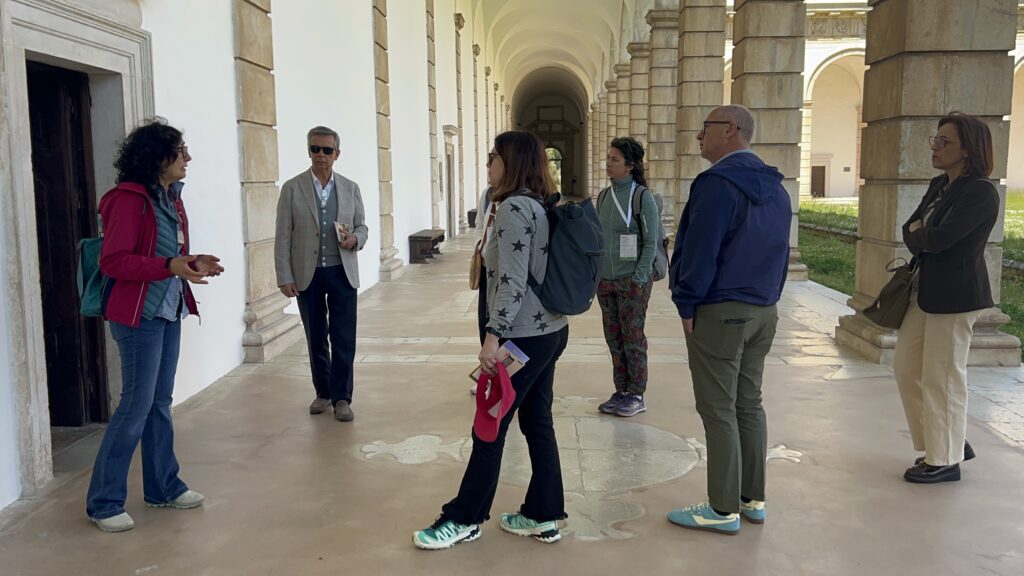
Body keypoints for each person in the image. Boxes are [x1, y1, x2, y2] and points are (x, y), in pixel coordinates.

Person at [413, 132, 569, 550]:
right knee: (537, 422)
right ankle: (543, 514)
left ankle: (464, 517)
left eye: (493, 157)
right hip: (549, 330)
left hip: (521, 338)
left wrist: (492, 336)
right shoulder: (537, 202)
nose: (488, 164)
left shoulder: (514, 208)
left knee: (488, 424)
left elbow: (512, 281)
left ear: (511, 162)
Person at [86, 119, 225, 533]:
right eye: (180, 151)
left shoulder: (169, 198)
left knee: (160, 402)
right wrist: (169, 266)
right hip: (137, 316)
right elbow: (113, 261)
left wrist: (191, 263)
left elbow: (165, 255)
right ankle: (104, 502)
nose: (188, 158)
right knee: (135, 405)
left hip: (167, 309)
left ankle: (163, 488)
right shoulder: (128, 200)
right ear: (157, 157)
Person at [666, 105, 791, 535]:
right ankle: (752, 499)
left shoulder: (717, 184)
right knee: (748, 403)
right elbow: (780, 252)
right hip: (763, 310)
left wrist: (686, 303)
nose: (699, 136)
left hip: (721, 310)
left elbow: (700, 251)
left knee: (718, 408)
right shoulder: (777, 189)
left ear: (731, 130)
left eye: (706, 128)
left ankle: (721, 509)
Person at [894, 112, 1000, 484]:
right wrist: (921, 234)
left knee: (943, 377)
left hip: (956, 295)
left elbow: (940, 239)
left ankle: (944, 459)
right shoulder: (940, 184)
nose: (935, 147)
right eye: (935, 139)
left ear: (968, 149)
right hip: (925, 291)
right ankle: (946, 440)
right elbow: (909, 229)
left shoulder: (981, 192)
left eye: (945, 141)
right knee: (906, 368)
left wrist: (922, 233)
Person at [275, 126, 368, 422]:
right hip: (308, 274)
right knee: (315, 336)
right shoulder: (292, 188)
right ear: (309, 151)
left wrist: (355, 238)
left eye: (327, 150)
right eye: (315, 149)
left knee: (343, 337)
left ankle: (342, 398)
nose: (320, 155)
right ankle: (323, 392)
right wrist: (284, 275)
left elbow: (362, 226)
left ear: (337, 154)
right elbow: (283, 236)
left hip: (342, 272)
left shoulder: (350, 188)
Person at [595, 137, 660, 417]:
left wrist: (639, 278)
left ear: (630, 166)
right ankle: (621, 390)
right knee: (614, 339)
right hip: (606, 281)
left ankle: (636, 393)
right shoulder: (604, 196)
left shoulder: (642, 197)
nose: (608, 163)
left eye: (615, 159)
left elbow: (651, 241)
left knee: (633, 339)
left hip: (632, 281)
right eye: (608, 158)